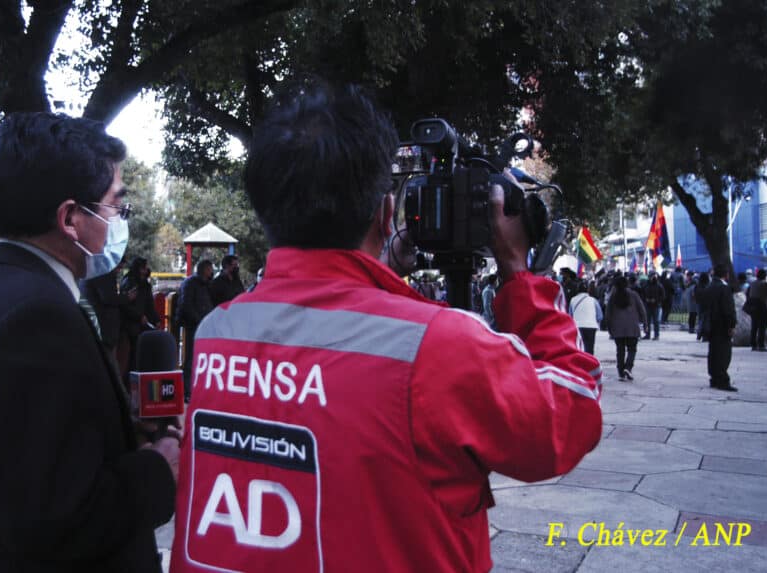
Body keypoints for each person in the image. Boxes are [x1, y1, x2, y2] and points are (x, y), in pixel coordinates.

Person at [169, 84, 602, 573]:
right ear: (385, 213)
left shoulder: (217, 333)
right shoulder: (437, 347)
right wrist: (521, 275)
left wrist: (382, 271)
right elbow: (571, 413)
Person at [0, 112, 179, 572]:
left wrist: (119, 432)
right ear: (70, 218)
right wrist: (159, 470)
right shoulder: (36, 317)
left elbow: (26, 451)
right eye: (115, 207)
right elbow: (55, 519)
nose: (118, 225)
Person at [80, 260, 136, 359]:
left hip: (93, 325)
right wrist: (127, 297)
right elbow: (109, 297)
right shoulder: (104, 273)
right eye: (119, 268)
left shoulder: (92, 269)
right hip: (104, 328)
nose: (119, 271)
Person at [175, 258, 215, 398]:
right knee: (191, 358)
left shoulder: (205, 284)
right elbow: (186, 305)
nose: (212, 271)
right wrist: (199, 320)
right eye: (210, 268)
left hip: (203, 324)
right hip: (193, 325)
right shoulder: (191, 283)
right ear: (204, 269)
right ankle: (187, 391)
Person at [120, 256, 159, 374]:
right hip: (131, 325)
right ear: (139, 268)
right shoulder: (129, 282)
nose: (147, 270)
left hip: (143, 324)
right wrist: (139, 316)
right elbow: (125, 305)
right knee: (132, 356)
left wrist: (155, 319)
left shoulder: (145, 284)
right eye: (144, 267)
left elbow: (149, 304)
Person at [606, 275, 647, 381]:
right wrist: (645, 324)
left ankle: (621, 372)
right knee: (632, 349)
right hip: (632, 327)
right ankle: (628, 367)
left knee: (620, 350)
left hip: (617, 328)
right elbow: (642, 309)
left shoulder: (613, 296)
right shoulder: (634, 295)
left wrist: (609, 327)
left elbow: (608, 313)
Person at [707, 264, 737, 391]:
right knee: (724, 353)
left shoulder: (710, 287)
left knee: (713, 352)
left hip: (712, 324)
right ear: (725, 274)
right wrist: (731, 325)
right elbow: (728, 309)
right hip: (722, 325)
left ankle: (714, 377)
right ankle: (722, 379)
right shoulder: (724, 289)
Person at [570, 281, 603, 354]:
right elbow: (600, 316)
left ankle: (580, 362)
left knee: (579, 346)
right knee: (590, 347)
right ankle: (589, 362)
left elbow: (570, 315)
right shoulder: (593, 300)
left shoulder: (573, 300)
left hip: (577, 326)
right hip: (591, 326)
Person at [746, 268, 767, 351]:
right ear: (764, 276)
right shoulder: (765, 284)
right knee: (762, 326)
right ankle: (761, 345)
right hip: (762, 306)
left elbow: (748, 294)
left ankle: (753, 344)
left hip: (753, 307)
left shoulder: (752, 284)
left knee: (754, 326)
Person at [641, 272, 665, 340]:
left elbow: (663, 296)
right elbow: (642, 294)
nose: (652, 278)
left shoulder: (659, 285)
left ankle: (656, 335)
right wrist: (646, 300)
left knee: (656, 321)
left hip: (656, 305)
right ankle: (647, 334)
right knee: (647, 320)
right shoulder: (646, 285)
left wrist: (656, 300)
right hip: (648, 304)